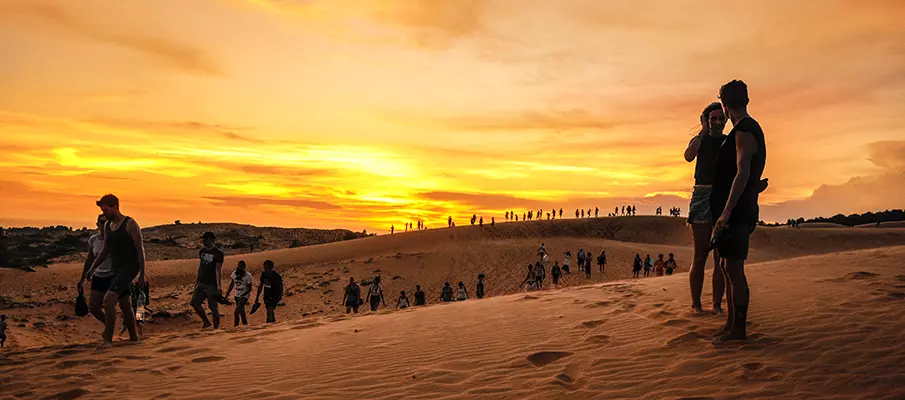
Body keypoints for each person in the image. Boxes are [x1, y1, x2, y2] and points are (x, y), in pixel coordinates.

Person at [711, 80, 766, 342]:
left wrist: (726, 212)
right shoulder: (742, 130)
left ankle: (738, 330)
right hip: (734, 209)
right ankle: (731, 324)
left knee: (734, 269)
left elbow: (743, 172)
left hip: (737, 212)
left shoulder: (744, 129)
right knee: (725, 266)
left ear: (724, 105)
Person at [685, 102, 729, 315]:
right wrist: (702, 132)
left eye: (721, 118)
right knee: (700, 255)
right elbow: (688, 155)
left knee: (720, 257)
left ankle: (717, 305)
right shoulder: (700, 140)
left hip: (722, 196)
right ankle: (696, 305)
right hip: (701, 195)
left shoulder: (729, 141)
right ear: (706, 120)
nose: (718, 122)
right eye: (713, 119)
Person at [85, 194, 145, 347]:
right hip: (116, 269)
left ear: (115, 207)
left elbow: (140, 250)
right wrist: (92, 268)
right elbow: (106, 250)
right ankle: (133, 338)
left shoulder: (130, 224)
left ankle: (107, 340)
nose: (104, 213)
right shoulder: (107, 226)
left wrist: (142, 274)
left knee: (108, 300)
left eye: (106, 210)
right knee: (125, 305)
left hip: (129, 268)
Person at [80, 214, 114, 325]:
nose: (104, 224)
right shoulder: (93, 239)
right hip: (98, 276)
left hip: (113, 277)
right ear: (97, 224)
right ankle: (109, 327)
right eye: (102, 222)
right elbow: (89, 259)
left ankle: (134, 330)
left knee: (122, 306)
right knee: (94, 308)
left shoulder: (114, 239)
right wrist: (82, 278)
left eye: (107, 222)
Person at [191, 232, 224, 329]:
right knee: (194, 302)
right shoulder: (202, 251)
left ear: (212, 239)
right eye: (203, 239)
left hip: (212, 284)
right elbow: (200, 266)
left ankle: (216, 329)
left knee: (213, 308)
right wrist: (197, 281)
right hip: (201, 283)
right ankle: (206, 322)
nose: (204, 241)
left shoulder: (218, 253)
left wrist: (218, 285)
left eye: (206, 239)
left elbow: (218, 269)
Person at [225, 261, 254, 326]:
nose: (239, 267)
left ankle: (236, 327)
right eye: (238, 266)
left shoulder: (248, 276)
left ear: (244, 267)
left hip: (244, 296)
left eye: (241, 266)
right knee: (242, 312)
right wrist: (227, 294)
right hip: (237, 295)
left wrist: (243, 295)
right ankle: (245, 325)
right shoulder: (234, 274)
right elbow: (231, 285)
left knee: (236, 313)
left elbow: (249, 288)